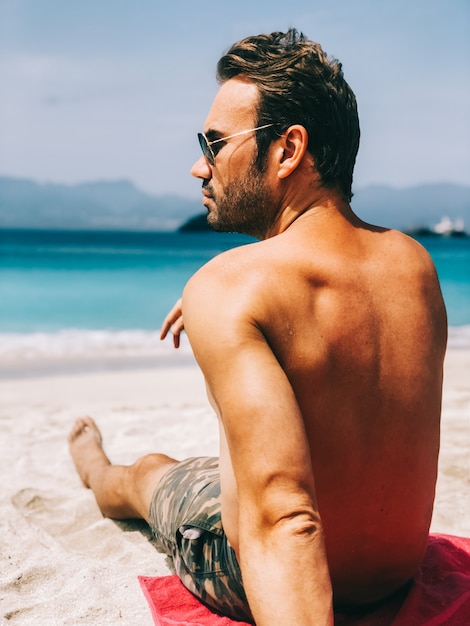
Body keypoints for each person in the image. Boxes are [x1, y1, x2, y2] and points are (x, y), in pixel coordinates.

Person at [69, 29, 447, 625]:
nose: (199, 166)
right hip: (394, 572)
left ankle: (97, 470)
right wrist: (232, 291)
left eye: (213, 142)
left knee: (155, 475)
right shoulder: (414, 264)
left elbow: (283, 513)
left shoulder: (229, 285)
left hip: (269, 578)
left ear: (287, 149)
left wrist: (222, 291)